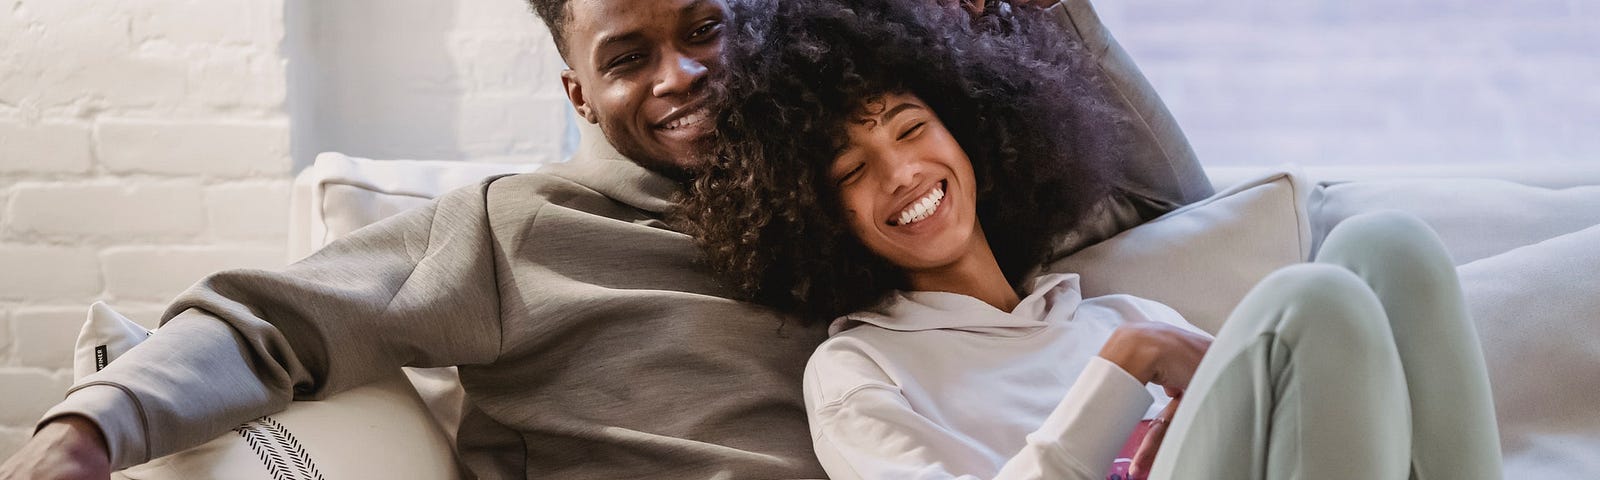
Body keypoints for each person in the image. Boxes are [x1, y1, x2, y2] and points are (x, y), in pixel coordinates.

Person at [0, 0, 1215, 479]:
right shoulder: (510, 229)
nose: (680, 77)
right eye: (629, 57)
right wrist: (86, 432)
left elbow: (1157, 207)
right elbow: (277, 321)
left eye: (704, 30)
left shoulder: (859, 197)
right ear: (579, 91)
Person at [679, 0, 1505, 478]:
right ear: (814, 216)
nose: (899, 172)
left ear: (970, 133)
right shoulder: (859, 369)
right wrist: (1124, 371)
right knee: (1311, 298)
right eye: (851, 170)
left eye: (911, 127)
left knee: (1388, 248)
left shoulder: (1110, 313)